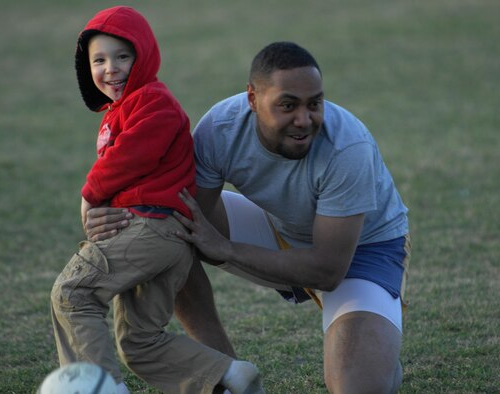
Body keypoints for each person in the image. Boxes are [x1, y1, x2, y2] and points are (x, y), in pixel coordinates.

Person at [85, 41, 411, 394]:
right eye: (287, 105)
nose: (304, 119)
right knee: (170, 229)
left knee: (356, 388)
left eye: (314, 103)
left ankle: (379, 360)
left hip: (361, 250)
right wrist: (107, 212)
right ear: (252, 100)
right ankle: (225, 378)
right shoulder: (221, 127)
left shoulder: (348, 148)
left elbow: (328, 271)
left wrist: (227, 249)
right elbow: (178, 214)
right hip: (278, 225)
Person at [50, 6, 265, 394]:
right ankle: (226, 376)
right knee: (140, 342)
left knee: (74, 293)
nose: (111, 68)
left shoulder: (154, 101)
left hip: (152, 229)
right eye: (99, 60)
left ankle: (100, 388)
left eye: (123, 56)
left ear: (144, 56)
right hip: (159, 236)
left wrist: (90, 196)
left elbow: (130, 156)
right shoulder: (122, 108)